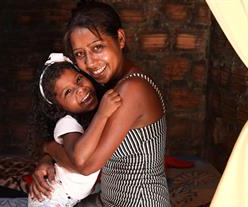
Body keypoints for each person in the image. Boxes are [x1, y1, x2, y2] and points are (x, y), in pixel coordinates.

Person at [29, 1, 171, 206]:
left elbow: (85, 164)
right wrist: (46, 161)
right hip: (108, 200)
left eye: (97, 47)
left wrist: (49, 148)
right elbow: (80, 145)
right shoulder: (105, 87)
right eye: (80, 54)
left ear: (120, 39)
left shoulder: (133, 88)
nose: (91, 63)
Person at [28, 53, 122, 207]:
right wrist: (102, 114)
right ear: (58, 107)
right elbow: (79, 158)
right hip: (51, 199)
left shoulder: (85, 117)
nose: (80, 90)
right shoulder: (67, 123)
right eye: (68, 92)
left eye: (79, 79)